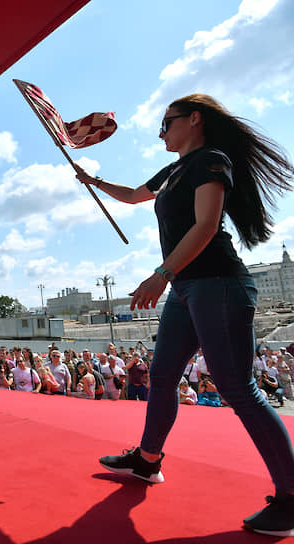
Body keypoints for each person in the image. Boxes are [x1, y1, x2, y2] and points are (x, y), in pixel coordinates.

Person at [77, 94, 294, 536]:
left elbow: (207, 225)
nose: (161, 133)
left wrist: (162, 273)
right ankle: (147, 461)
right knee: (162, 375)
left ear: (194, 120)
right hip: (186, 289)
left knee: (236, 386)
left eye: (166, 123)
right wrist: (93, 181)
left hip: (218, 283)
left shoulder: (211, 161)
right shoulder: (175, 170)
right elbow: (137, 196)